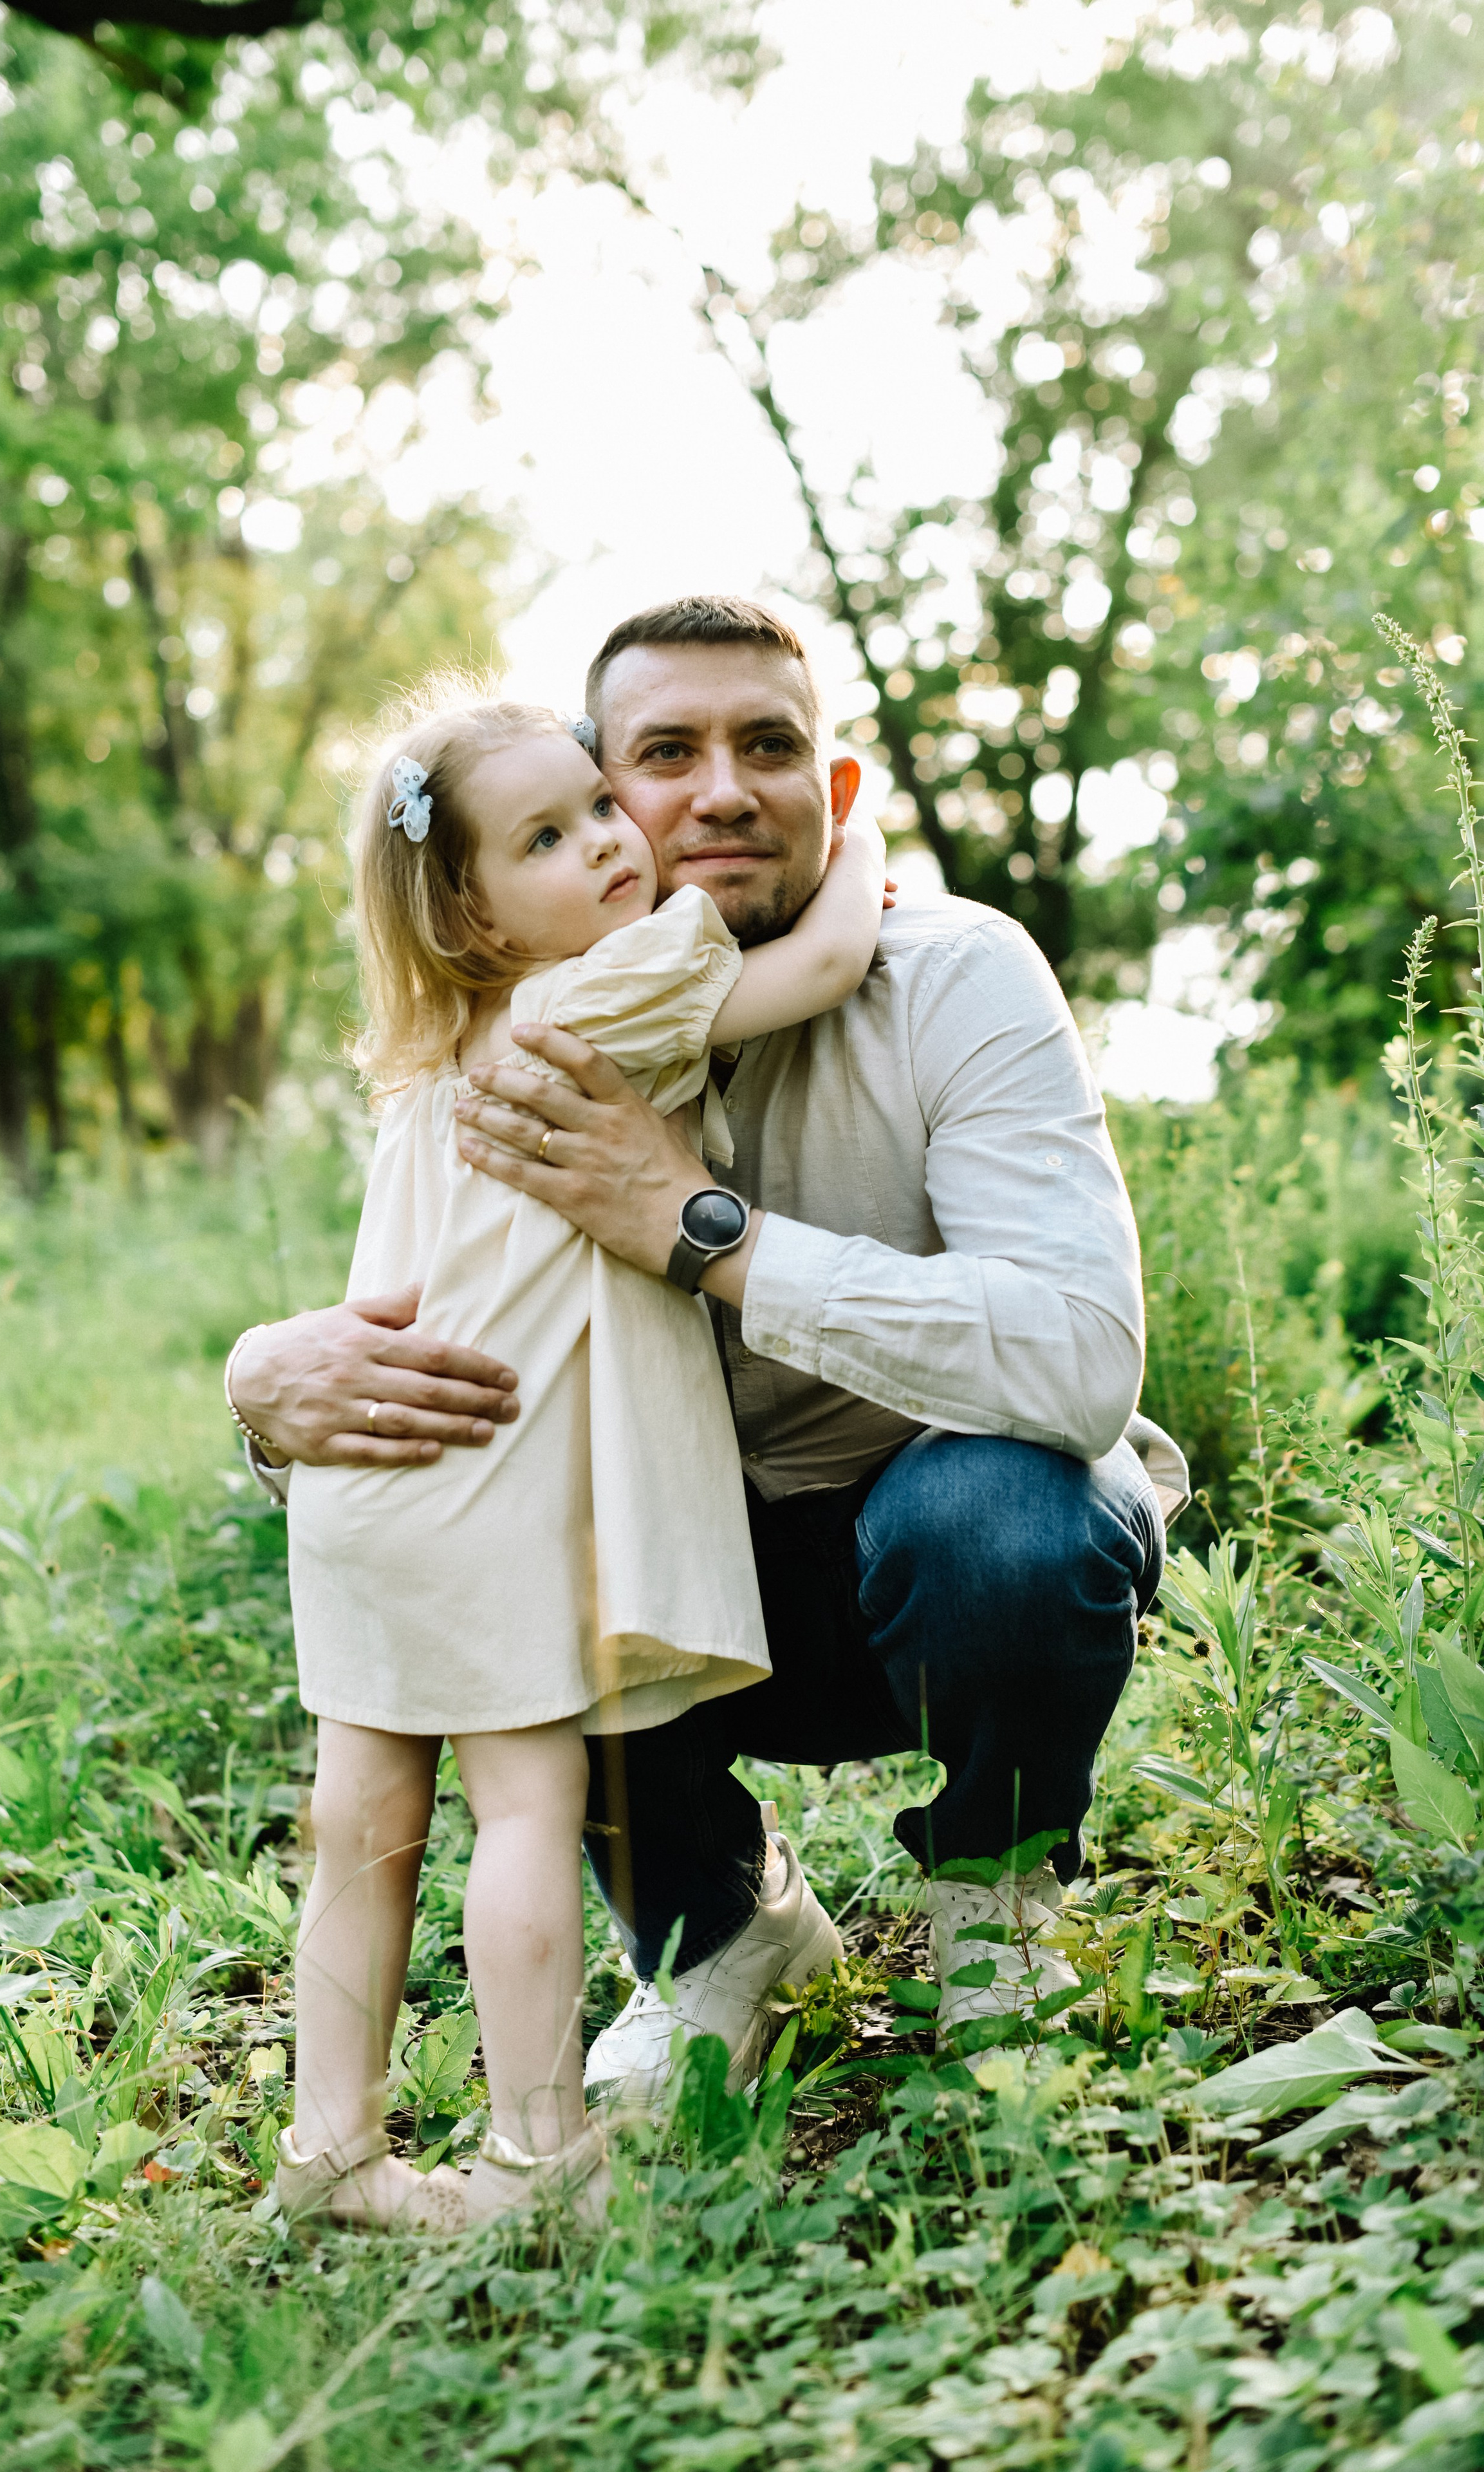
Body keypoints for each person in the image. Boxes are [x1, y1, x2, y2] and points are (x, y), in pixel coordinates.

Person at [230, 596, 1187, 2117]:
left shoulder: (956, 978)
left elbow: (1080, 1368)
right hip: (670, 1571)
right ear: (587, 793)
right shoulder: (520, 1035)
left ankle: (994, 1904)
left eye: (769, 748)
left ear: (839, 792)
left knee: (1009, 1516)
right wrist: (264, 1393)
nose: (718, 792)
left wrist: (696, 1226)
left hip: (921, 1541)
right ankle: (723, 1938)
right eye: (658, 758)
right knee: (532, 1572)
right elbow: (424, 1330)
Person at [242, 681, 889, 2233]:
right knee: (527, 1814)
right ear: (470, 910)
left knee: (363, 1820)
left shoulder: (421, 1060)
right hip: (487, 1487)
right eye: (548, 834)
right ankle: (541, 2166)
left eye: (598, 806)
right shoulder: (598, 994)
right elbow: (823, 956)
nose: (609, 841)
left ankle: (329, 2149)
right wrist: (856, 834)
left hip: (360, 1490)